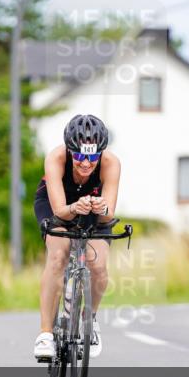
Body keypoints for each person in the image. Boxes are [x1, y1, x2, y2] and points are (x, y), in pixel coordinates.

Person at [33, 114, 121, 360]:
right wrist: (74, 208)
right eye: (80, 156)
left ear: (100, 153)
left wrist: (102, 209)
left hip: (93, 210)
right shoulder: (56, 158)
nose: (86, 163)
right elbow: (60, 210)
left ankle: (88, 321)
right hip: (56, 206)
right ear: (70, 151)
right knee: (58, 256)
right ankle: (46, 334)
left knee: (99, 266)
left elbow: (108, 215)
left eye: (92, 156)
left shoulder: (111, 163)